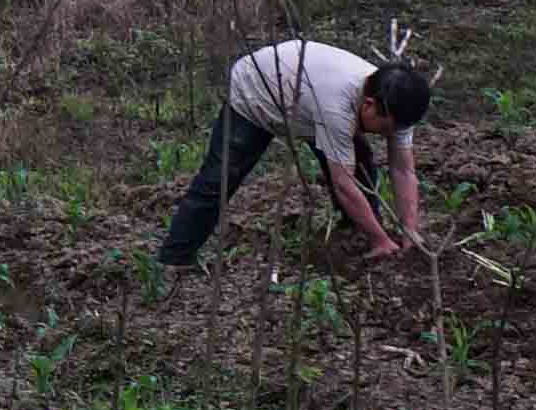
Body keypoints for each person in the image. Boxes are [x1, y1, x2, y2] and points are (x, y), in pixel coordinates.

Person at [156, 35, 428, 273]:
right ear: (369, 104)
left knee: (361, 167)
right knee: (221, 177)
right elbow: (343, 184)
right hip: (258, 90)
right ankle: (175, 259)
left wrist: (410, 228)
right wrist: (381, 239)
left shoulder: (397, 107)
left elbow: (403, 170)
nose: (386, 135)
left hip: (305, 97)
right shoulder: (337, 105)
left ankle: (357, 233)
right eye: (384, 128)